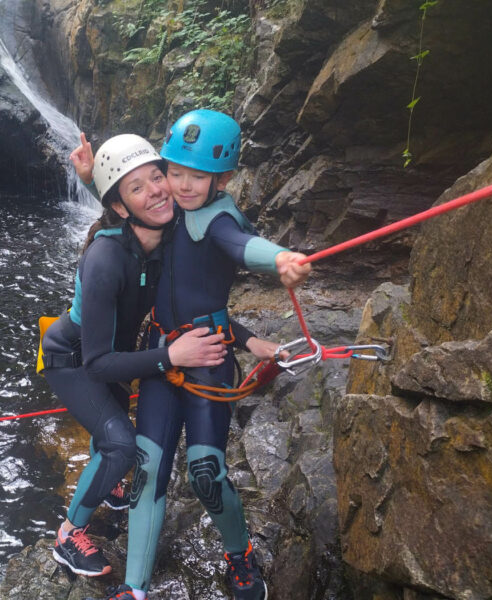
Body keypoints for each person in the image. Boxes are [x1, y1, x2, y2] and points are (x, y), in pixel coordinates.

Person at [92, 110, 311, 600]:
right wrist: (91, 178)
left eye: (198, 176)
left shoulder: (217, 221)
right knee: (148, 470)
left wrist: (280, 259)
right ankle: (135, 588)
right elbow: (129, 210)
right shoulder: (169, 212)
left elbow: (241, 245)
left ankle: (240, 553)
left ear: (224, 179)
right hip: (163, 353)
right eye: (175, 172)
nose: (183, 185)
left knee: (206, 472)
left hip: (208, 357)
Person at [41, 133, 231, 578]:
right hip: (75, 358)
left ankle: (107, 485)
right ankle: (69, 534)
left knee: (110, 435)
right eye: (138, 186)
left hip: (112, 350)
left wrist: (92, 179)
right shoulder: (105, 259)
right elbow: (97, 364)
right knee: (120, 445)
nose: (159, 189)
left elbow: (137, 205)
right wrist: (171, 357)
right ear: (122, 206)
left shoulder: (165, 236)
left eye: (157, 176)